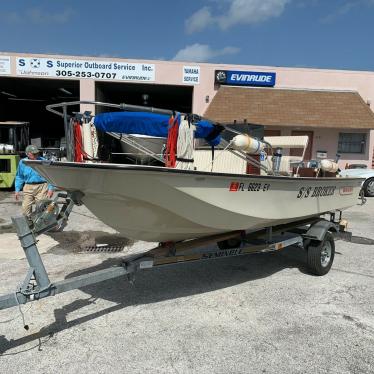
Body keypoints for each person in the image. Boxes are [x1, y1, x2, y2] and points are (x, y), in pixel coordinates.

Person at [15, 145, 54, 218]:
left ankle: (41, 225)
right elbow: (19, 176)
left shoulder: (43, 161)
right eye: (33, 153)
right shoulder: (23, 162)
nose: (36, 155)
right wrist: (17, 189)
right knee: (25, 209)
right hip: (28, 187)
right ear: (27, 154)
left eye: (36, 153)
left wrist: (50, 189)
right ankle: (29, 225)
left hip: (42, 187)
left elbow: (50, 176)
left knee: (41, 207)